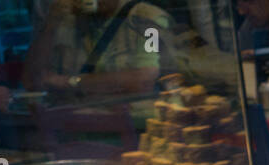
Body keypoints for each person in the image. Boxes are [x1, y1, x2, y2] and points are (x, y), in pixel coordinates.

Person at [24, 0, 179, 96]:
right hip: (74, 129)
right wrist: (51, 25)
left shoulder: (148, 19)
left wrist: (69, 82)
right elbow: (32, 82)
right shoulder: (65, 21)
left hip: (131, 127)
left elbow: (143, 80)